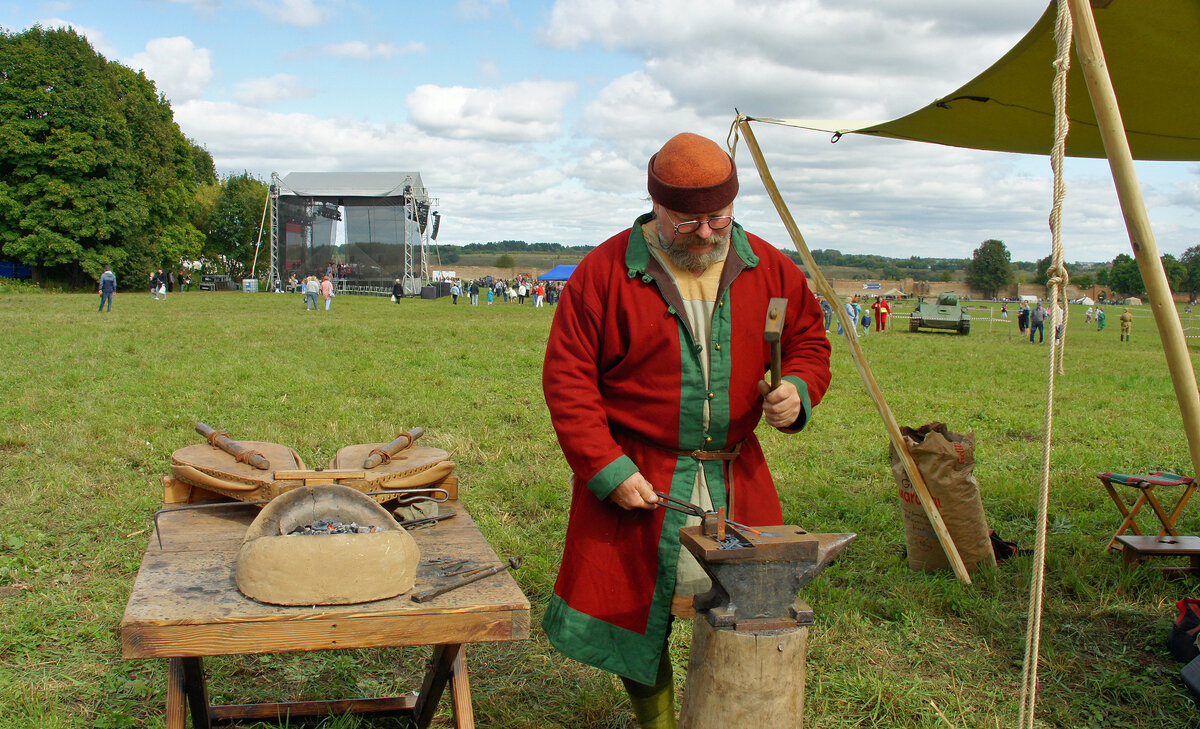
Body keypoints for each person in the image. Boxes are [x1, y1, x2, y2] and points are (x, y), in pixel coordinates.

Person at [541, 132, 832, 729]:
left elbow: (809, 340)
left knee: (739, 609)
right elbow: (568, 381)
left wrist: (796, 389)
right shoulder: (603, 273)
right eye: (687, 222)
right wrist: (607, 469)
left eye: (718, 219)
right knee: (638, 620)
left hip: (734, 473)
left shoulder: (769, 266)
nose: (705, 234)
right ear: (656, 208)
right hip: (641, 472)